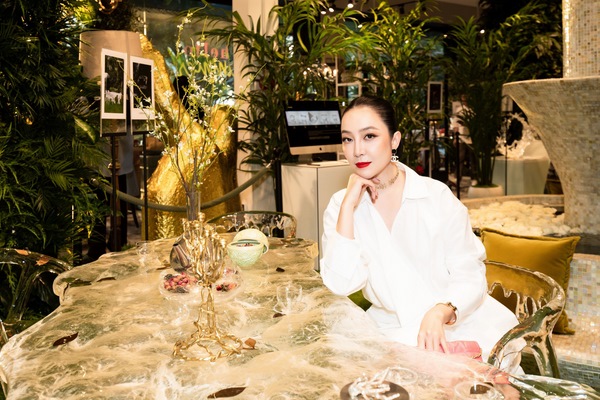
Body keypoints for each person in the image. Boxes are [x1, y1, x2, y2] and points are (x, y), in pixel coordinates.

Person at [320, 95, 521, 371]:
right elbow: (341, 284)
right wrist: (348, 206)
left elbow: (470, 273)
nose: (357, 150)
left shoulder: (435, 196)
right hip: (390, 333)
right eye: (347, 139)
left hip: (455, 324)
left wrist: (441, 311)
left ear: (394, 140)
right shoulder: (340, 206)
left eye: (369, 136)